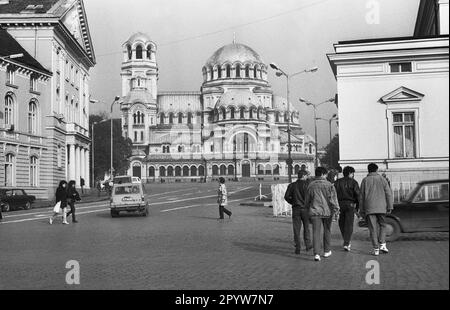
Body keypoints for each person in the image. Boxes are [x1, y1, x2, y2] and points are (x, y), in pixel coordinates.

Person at [305, 167, 340, 262]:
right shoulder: (329, 185)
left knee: (316, 232)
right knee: (327, 230)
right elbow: (333, 199)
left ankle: (316, 254)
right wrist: (336, 209)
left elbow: (307, 200)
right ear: (323, 174)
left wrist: (307, 208)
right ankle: (326, 251)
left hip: (315, 211)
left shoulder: (311, 185)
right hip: (327, 211)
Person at [359, 163, 394, 256]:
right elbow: (388, 193)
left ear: (368, 170)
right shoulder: (382, 179)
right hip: (382, 207)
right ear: (376, 170)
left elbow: (361, 196)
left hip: (369, 208)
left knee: (372, 229)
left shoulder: (365, 180)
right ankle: (382, 243)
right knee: (383, 225)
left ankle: (376, 249)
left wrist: (361, 209)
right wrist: (390, 206)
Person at [284, 170, 312, 254]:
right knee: (306, 228)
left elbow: (286, 196)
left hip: (296, 208)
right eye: (306, 175)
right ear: (303, 176)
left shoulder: (292, 185)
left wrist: (292, 202)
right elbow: (311, 197)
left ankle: (298, 246)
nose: (307, 177)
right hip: (305, 209)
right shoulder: (308, 185)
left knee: (296, 229)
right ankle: (307, 245)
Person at [334, 166, 360, 251]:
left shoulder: (337, 182)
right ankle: (347, 242)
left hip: (339, 204)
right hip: (350, 204)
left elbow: (333, 194)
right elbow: (358, 195)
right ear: (350, 173)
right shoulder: (353, 182)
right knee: (349, 224)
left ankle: (346, 240)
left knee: (341, 223)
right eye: (352, 173)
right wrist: (358, 206)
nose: (353, 175)